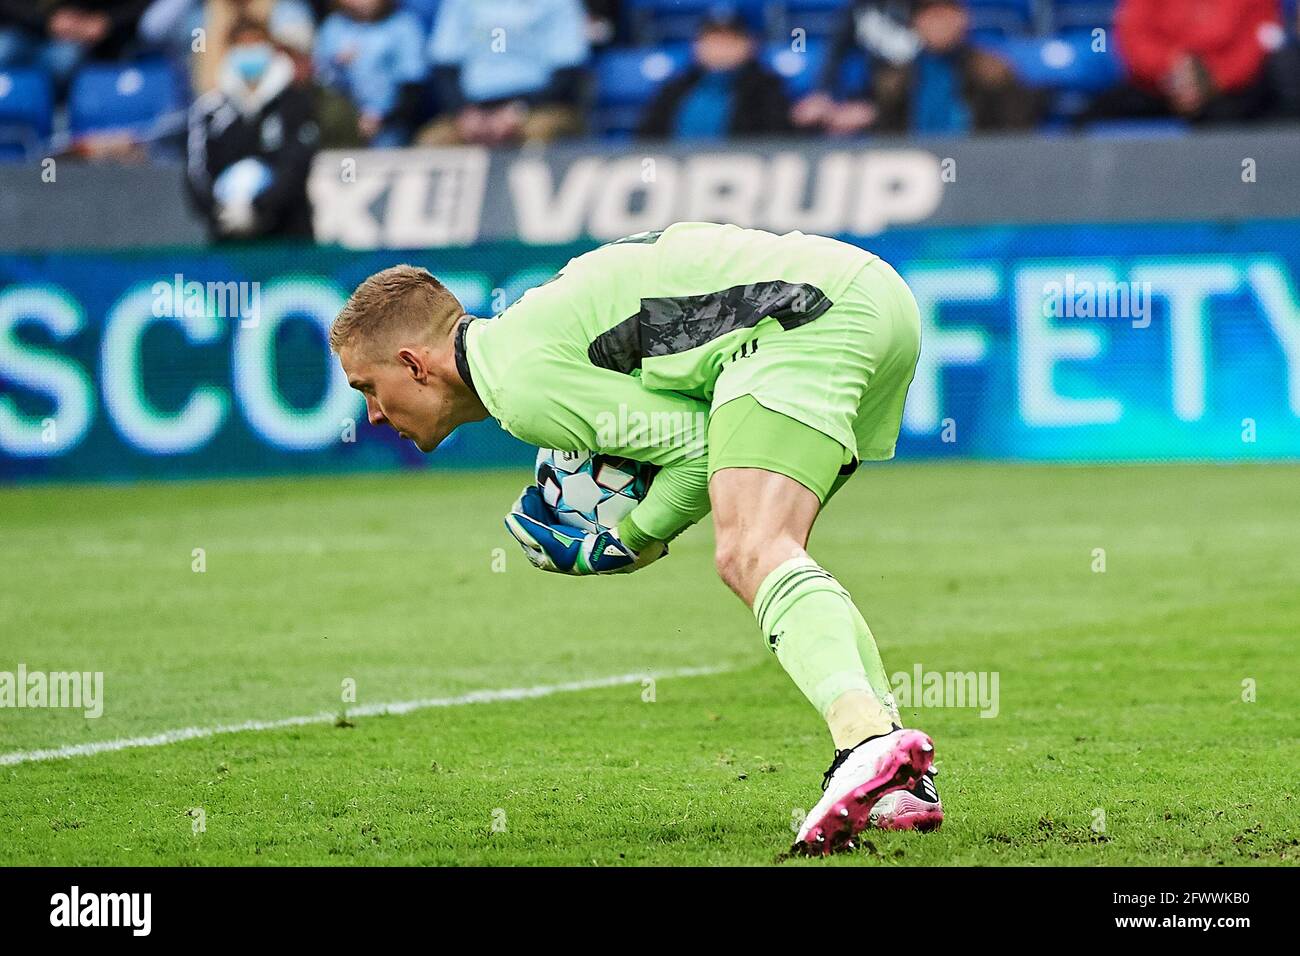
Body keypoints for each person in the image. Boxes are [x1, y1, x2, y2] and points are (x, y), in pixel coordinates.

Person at [328, 222, 941, 854]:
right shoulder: (523, 342)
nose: (373, 413)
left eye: (369, 388)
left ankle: (864, 744)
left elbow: (698, 449)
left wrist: (626, 538)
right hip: (869, 300)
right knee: (773, 551)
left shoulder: (517, 386)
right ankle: (895, 772)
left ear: (411, 364)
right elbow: (696, 428)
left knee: (751, 549)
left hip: (805, 317)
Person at [186, 16, 319, 240]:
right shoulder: (209, 110)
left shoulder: (296, 103)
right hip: (227, 234)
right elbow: (196, 171)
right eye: (242, 45)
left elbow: (296, 165)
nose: (249, 52)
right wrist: (220, 211)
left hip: (289, 235)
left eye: (256, 44)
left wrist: (259, 209)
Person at [416, 0, 589, 146]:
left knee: (538, 136)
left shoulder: (560, 3)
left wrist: (518, 110)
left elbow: (567, 75)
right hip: (474, 109)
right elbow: (445, 67)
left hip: (540, 106)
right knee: (433, 141)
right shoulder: (460, 3)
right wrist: (464, 112)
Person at [1090, 0, 1283, 124]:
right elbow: (1133, 35)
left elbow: (1257, 43)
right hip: (1159, 86)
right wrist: (1173, 68)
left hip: (1226, 92)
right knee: (1092, 118)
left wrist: (1208, 78)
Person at [637, 9, 794, 140]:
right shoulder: (673, 88)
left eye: (730, 40)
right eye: (713, 40)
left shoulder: (767, 89)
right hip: (677, 171)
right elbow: (646, 138)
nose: (721, 49)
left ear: (750, 45)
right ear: (697, 46)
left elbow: (776, 140)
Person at [314, 0, 426, 147]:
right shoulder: (333, 26)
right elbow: (319, 78)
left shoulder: (404, 25)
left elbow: (413, 85)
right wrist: (336, 64)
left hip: (391, 126)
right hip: (341, 126)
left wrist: (382, 119)